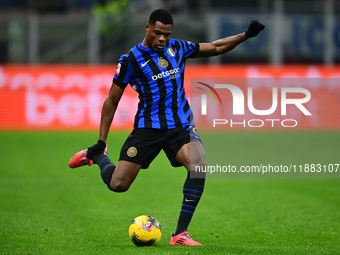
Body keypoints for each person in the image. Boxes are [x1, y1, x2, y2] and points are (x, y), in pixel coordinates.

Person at [69, 9, 264, 246]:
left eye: (167, 34)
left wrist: (245, 35)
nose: (162, 39)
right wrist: (101, 140)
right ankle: (99, 157)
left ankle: (180, 234)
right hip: (147, 129)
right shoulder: (130, 59)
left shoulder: (178, 48)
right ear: (148, 28)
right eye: (158, 33)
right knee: (118, 185)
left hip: (180, 126)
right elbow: (112, 100)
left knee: (198, 165)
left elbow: (215, 47)